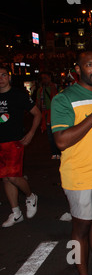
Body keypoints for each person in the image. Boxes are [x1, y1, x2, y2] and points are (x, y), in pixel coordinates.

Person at [51, 51, 92, 275]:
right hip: (80, 176)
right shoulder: (64, 98)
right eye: (89, 65)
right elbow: (61, 141)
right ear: (78, 69)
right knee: (80, 229)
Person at [0, 66, 41, 228]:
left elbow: (37, 114)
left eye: (3, 75)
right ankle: (16, 213)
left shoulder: (18, 95)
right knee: (5, 178)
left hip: (14, 142)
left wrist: (31, 133)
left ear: (9, 77)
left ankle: (31, 196)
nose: (1, 78)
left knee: (13, 176)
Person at [36, 71, 60, 159]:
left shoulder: (57, 87)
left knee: (58, 132)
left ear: (50, 78)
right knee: (50, 134)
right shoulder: (40, 90)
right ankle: (54, 152)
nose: (44, 80)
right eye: (42, 79)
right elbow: (38, 103)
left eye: (45, 78)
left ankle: (59, 151)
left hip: (57, 113)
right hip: (46, 114)